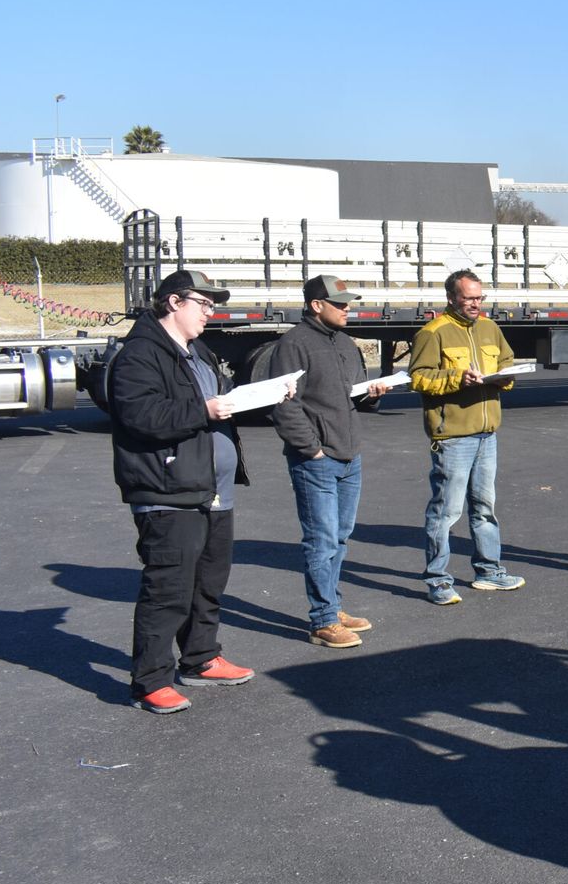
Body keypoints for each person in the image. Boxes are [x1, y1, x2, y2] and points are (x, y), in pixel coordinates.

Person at [107, 270, 274, 713]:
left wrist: (260, 396)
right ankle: (150, 680)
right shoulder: (139, 355)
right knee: (168, 589)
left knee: (208, 583)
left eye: (212, 305)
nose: (210, 312)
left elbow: (220, 401)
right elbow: (141, 416)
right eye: (203, 303)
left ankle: (200, 657)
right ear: (174, 302)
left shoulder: (198, 350)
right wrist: (205, 410)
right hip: (168, 490)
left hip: (213, 488)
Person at [269, 275, 392, 648]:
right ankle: (322, 620)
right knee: (321, 540)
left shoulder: (345, 342)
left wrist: (372, 395)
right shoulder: (293, 345)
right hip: (317, 460)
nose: (346, 308)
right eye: (339, 303)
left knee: (339, 537)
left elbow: (352, 395)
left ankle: (333, 607)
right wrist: (312, 449)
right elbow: (284, 405)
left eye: (347, 302)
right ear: (316, 305)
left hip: (349, 455)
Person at [410, 269, 525, 604]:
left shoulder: (490, 328)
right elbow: (418, 378)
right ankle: (437, 580)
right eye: (469, 298)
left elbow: (506, 362)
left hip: (487, 435)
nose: (476, 304)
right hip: (453, 437)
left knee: (485, 508)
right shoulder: (433, 333)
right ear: (451, 298)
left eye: (480, 298)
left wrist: (505, 377)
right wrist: (457, 378)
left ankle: (489, 571)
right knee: (446, 512)